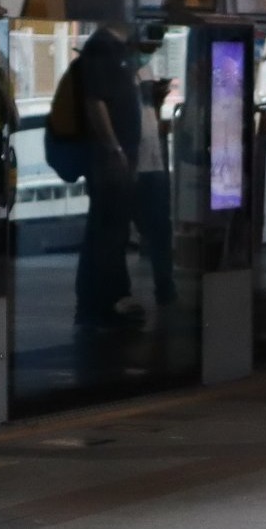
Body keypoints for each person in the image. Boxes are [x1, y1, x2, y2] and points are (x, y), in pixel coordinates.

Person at [73, 22, 175, 329]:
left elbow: (145, 115)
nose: (150, 53)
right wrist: (114, 149)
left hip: (149, 161)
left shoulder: (139, 70)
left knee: (156, 228)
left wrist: (156, 99)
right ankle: (111, 297)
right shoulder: (111, 62)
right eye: (147, 46)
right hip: (125, 163)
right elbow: (96, 103)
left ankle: (163, 288)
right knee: (111, 232)